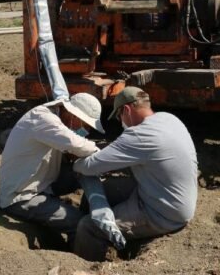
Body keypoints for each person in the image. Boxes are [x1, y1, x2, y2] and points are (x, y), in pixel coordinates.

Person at [72, 87, 199, 261]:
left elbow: (88, 167)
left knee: (87, 226)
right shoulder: (169, 119)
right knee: (99, 193)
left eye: (119, 117)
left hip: (162, 213)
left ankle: (88, 263)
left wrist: (74, 160)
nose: (120, 121)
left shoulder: (138, 135)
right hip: (171, 197)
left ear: (126, 110)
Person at [0, 93, 103, 240]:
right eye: (85, 125)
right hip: (21, 195)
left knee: (80, 173)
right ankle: (81, 253)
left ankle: (84, 209)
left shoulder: (56, 119)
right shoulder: (43, 119)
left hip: (43, 183)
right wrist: (106, 157)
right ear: (73, 115)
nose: (86, 131)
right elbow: (76, 144)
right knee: (79, 222)